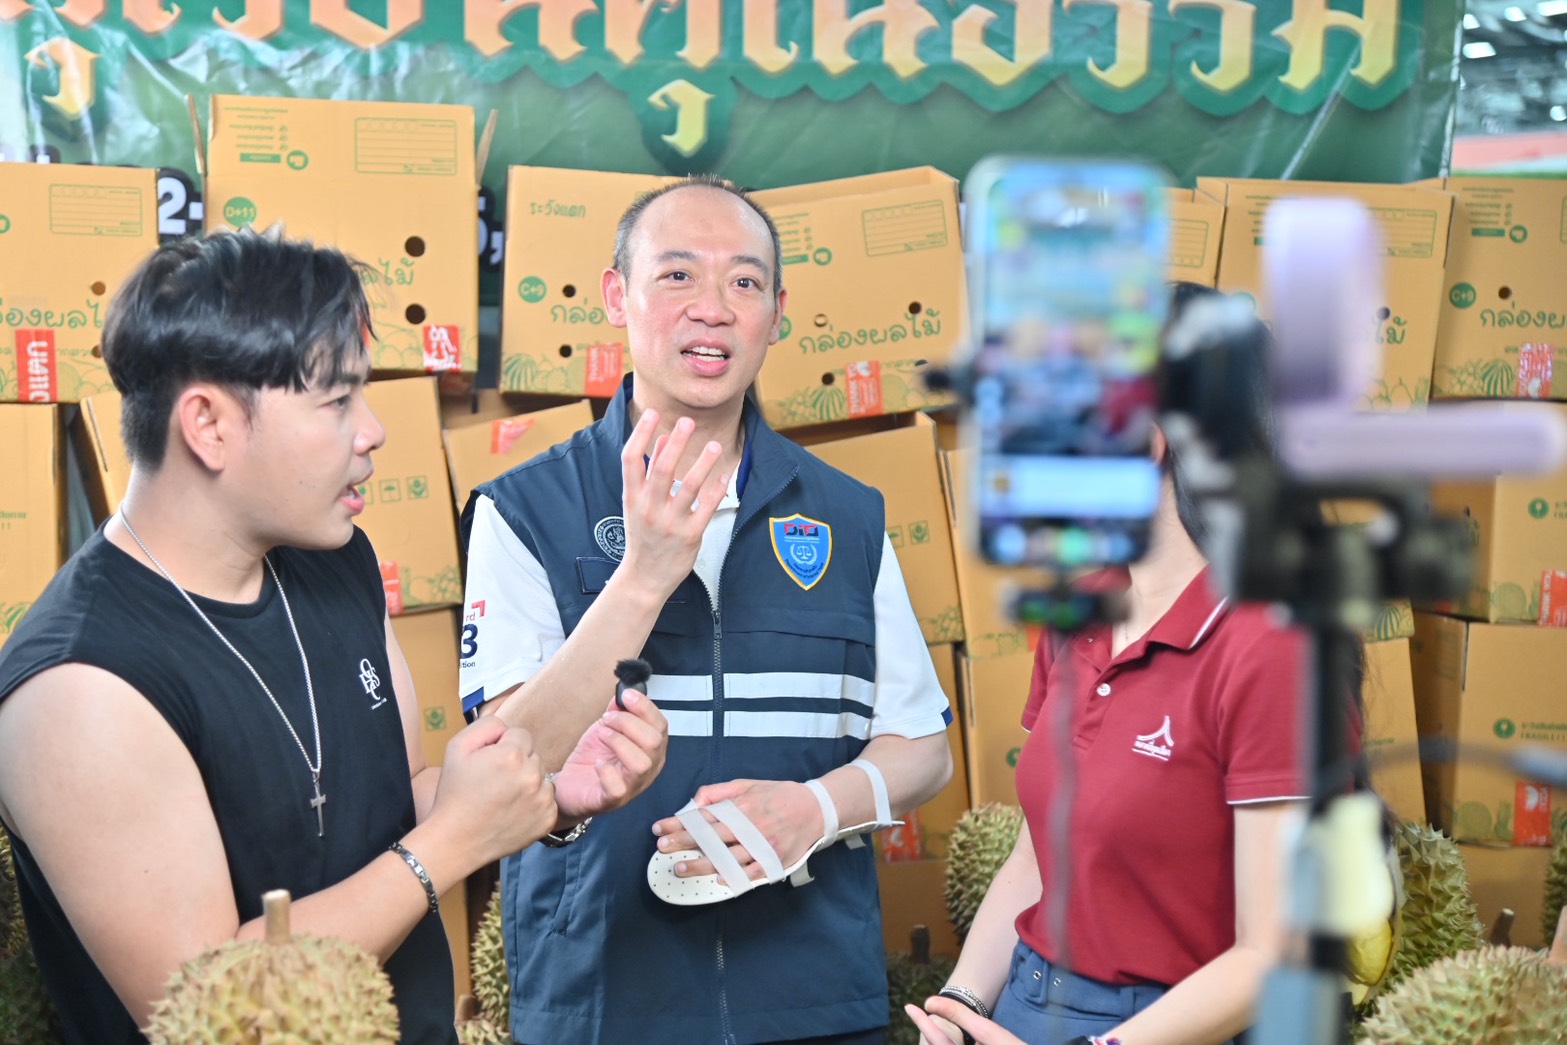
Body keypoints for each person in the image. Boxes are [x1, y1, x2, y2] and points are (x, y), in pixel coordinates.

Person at [0, 229, 669, 1044]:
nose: (375, 429)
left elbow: (397, 799)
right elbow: (212, 1005)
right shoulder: (80, 688)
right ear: (207, 424)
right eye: (337, 400)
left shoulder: (334, 562)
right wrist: (456, 841)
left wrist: (543, 800)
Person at [459, 174, 955, 1044]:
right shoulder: (522, 512)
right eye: (678, 275)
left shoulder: (848, 514)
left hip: (814, 998)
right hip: (601, 1000)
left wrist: (817, 809)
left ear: (777, 312)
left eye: (745, 281)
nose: (714, 309)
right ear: (617, 296)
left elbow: (920, 744)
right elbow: (505, 766)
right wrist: (643, 576)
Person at [912, 283, 1365, 1045]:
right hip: (1026, 998)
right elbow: (1040, 849)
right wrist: (958, 1004)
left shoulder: (1273, 643)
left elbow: (1271, 952)